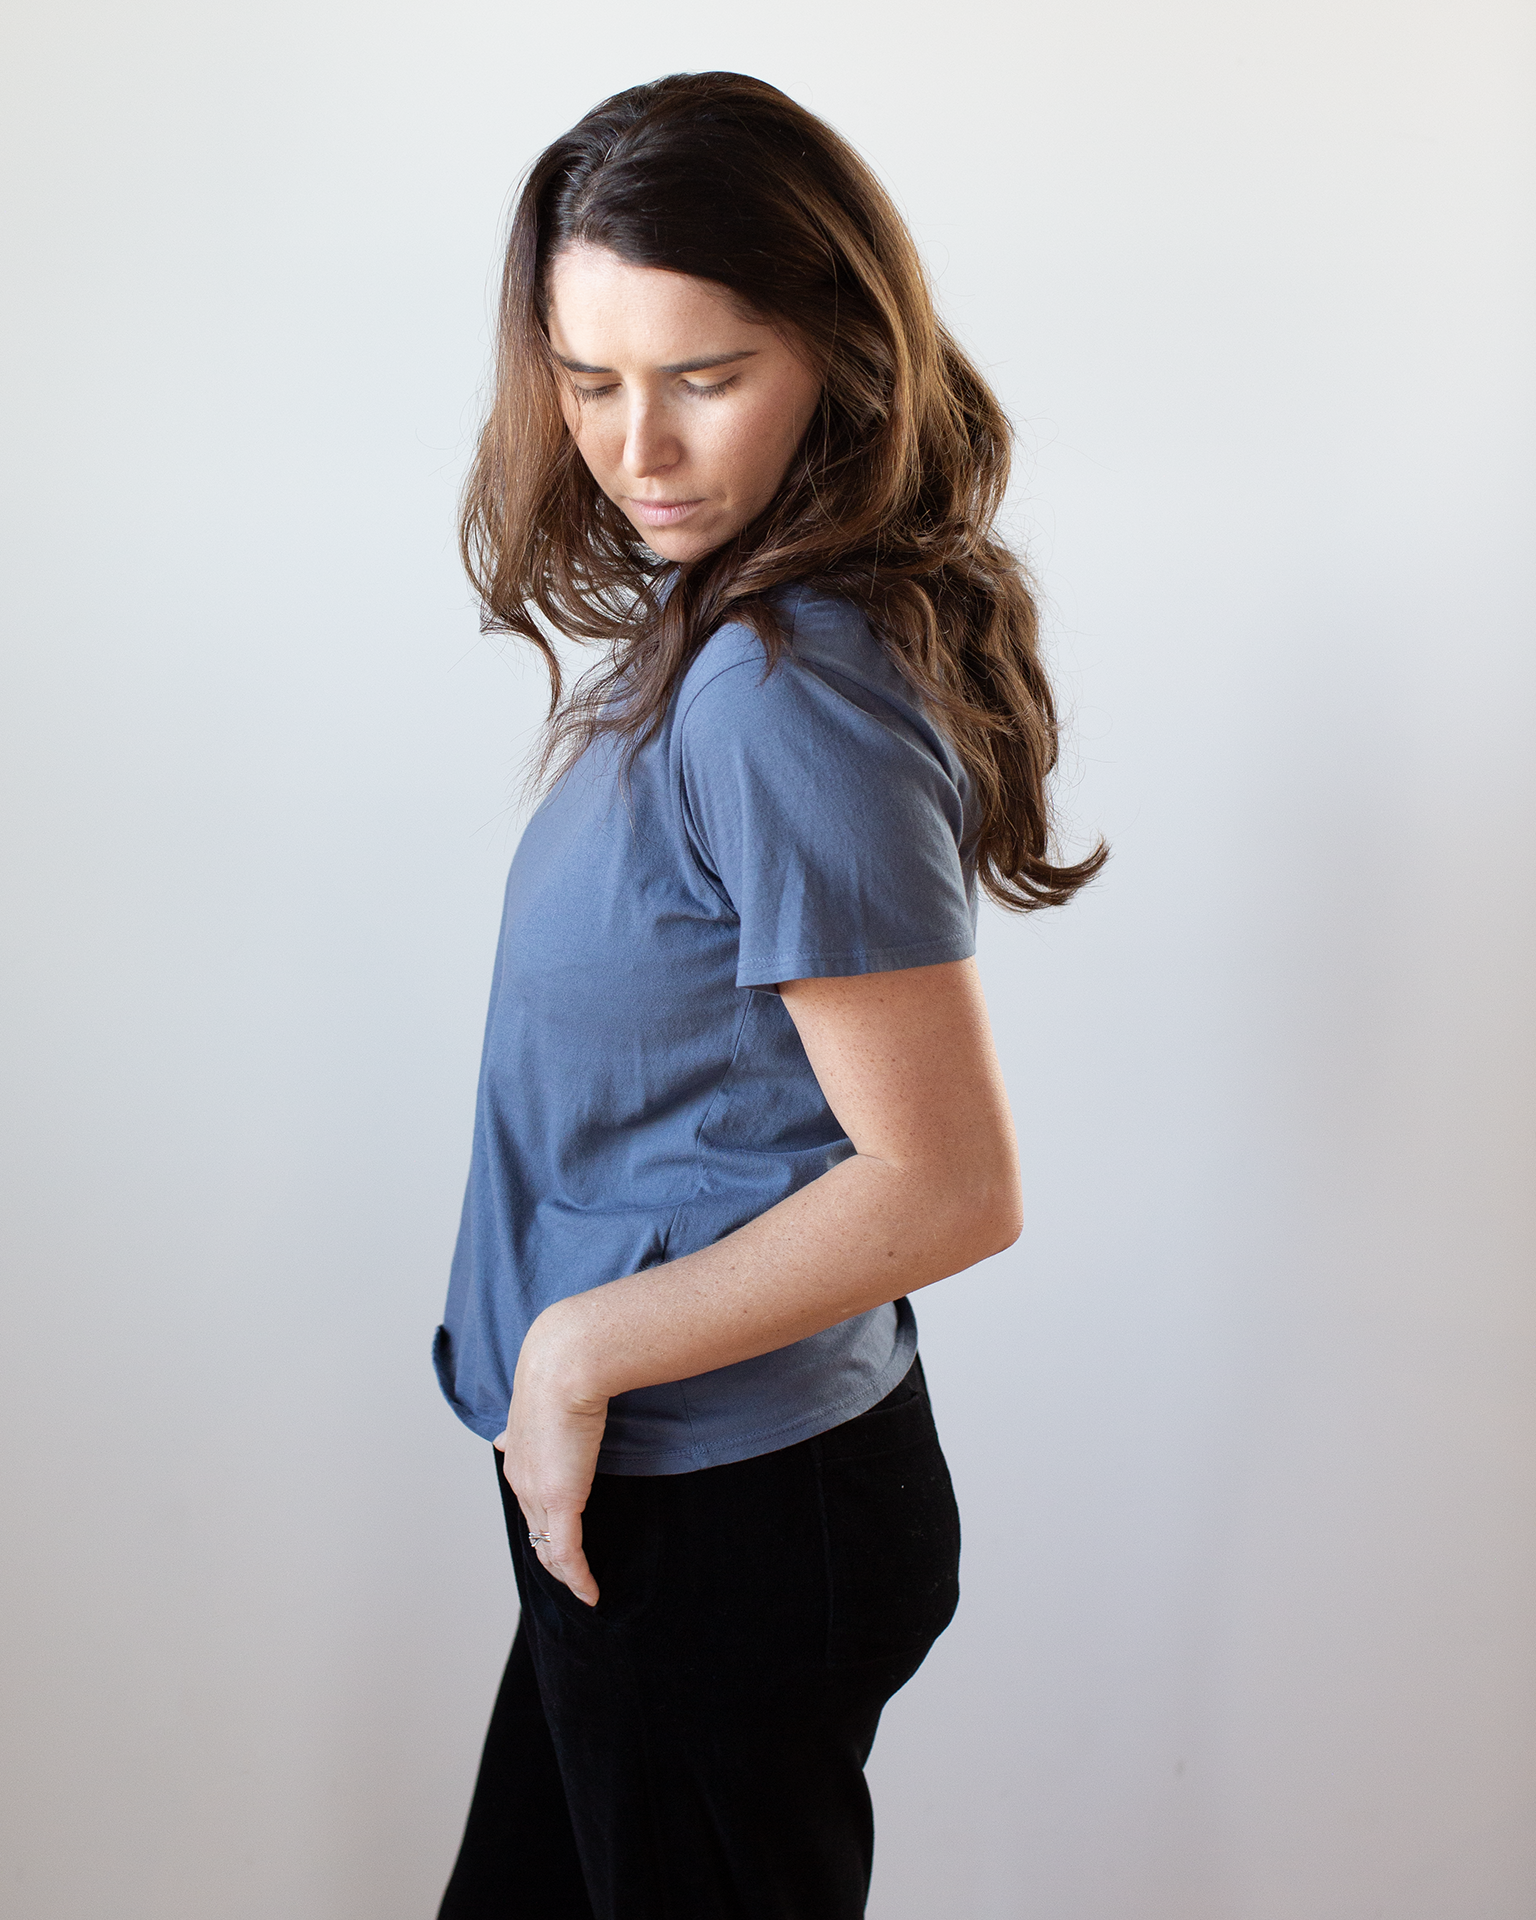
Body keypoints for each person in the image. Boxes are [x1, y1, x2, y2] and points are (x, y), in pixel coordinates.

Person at [432, 70, 1104, 1920]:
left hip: (713, 1506)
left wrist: (573, 1353)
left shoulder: (779, 682)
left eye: (704, 376)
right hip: (656, 1486)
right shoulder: (728, 620)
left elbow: (947, 1184)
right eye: (588, 381)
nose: (634, 445)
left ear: (838, 351)